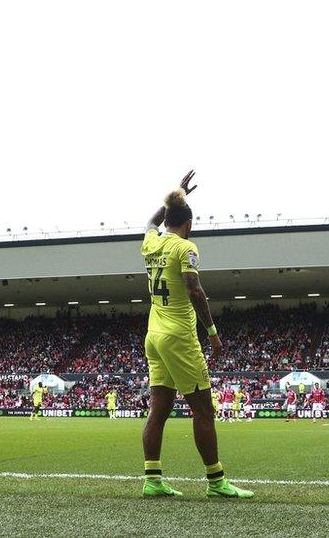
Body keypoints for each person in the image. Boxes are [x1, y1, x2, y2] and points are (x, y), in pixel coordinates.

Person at [139, 171, 253, 499]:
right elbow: (195, 290)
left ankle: (152, 479)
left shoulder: (151, 243)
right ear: (187, 222)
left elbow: (150, 220)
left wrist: (177, 193)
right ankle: (216, 481)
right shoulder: (185, 247)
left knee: (158, 409)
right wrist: (213, 333)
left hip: (154, 335)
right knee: (204, 410)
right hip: (179, 337)